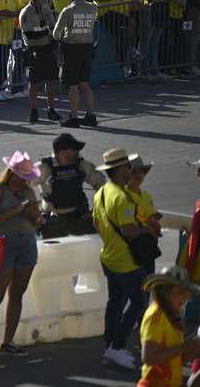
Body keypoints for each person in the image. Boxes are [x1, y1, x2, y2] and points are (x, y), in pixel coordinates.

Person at [0, 152, 41, 361]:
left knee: (17, 294)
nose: (23, 180)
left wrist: (35, 217)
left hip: (27, 241)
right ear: (11, 173)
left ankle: (8, 341)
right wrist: (18, 210)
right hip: (4, 242)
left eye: (26, 177)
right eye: (20, 175)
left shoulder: (28, 192)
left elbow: (36, 223)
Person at [93, 148, 152, 370]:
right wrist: (146, 229)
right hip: (124, 261)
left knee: (115, 302)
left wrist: (110, 241)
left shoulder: (101, 192)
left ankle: (109, 345)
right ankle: (117, 347)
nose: (131, 170)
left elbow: (96, 223)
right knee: (139, 302)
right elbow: (129, 232)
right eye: (128, 167)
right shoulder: (121, 197)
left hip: (108, 257)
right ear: (120, 170)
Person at [138, 267, 200, 387]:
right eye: (181, 292)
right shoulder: (155, 315)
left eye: (186, 293)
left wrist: (197, 342)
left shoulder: (174, 316)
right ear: (165, 292)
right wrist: (183, 347)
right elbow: (148, 357)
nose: (185, 298)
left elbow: (178, 359)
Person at [36, 133, 106, 235]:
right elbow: (23, 186)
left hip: (79, 217)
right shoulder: (44, 168)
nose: (78, 152)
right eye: (74, 150)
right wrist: (35, 214)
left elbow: (101, 184)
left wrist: (97, 209)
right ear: (63, 153)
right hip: (53, 221)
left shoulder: (81, 165)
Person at [52, 0, 99, 128]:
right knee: (84, 84)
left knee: (72, 85)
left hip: (72, 49)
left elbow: (56, 34)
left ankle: (73, 117)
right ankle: (91, 115)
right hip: (87, 47)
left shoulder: (68, 11)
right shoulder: (93, 7)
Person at [18, 0, 59, 123]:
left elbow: (53, 29)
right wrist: (47, 32)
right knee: (34, 82)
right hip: (33, 50)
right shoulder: (26, 13)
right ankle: (34, 111)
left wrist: (48, 33)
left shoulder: (46, 10)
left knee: (50, 80)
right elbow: (30, 35)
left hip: (47, 48)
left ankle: (51, 109)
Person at [127, 154, 161, 275]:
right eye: (134, 172)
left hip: (147, 249)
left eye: (141, 172)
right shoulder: (122, 196)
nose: (138, 175)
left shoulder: (146, 196)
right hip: (130, 252)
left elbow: (151, 218)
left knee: (148, 286)